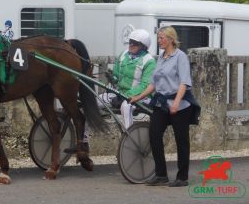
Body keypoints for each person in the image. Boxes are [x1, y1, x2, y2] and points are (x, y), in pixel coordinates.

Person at [65, 28, 156, 153]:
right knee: (89, 104)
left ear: (143, 46)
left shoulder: (149, 61)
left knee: (126, 106)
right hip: (118, 95)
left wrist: (128, 95)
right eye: (130, 42)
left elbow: (146, 85)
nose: (131, 45)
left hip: (141, 97)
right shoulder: (123, 55)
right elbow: (117, 77)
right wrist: (112, 77)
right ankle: (83, 142)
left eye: (135, 43)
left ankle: (129, 143)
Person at [130, 26, 201, 187]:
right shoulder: (161, 57)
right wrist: (138, 98)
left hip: (180, 105)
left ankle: (182, 177)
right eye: (159, 38)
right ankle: (161, 174)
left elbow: (184, 82)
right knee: (154, 134)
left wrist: (176, 103)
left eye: (161, 38)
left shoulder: (180, 57)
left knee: (181, 140)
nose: (159, 40)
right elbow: (154, 83)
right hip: (162, 104)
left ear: (170, 39)